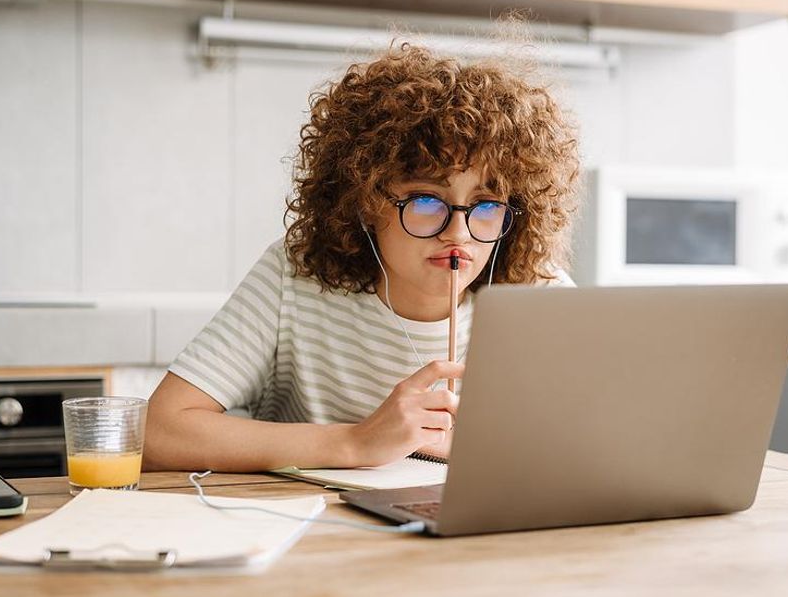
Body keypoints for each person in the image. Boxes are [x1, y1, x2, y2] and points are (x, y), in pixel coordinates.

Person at [143, 41, 580, 472]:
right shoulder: (294, 278)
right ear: (365, 200)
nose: (458, 233)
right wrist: (356, 441)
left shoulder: (539, 294)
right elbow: (158, 432)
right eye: (426, 201)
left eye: (486, 206)